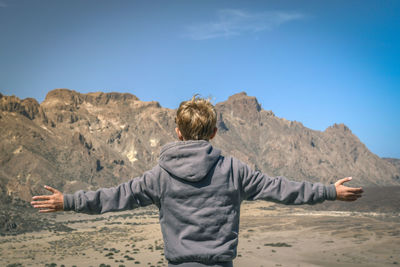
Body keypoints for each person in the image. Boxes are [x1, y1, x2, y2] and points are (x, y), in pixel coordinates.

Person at [31, 95, 363, 267]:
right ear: (214, 133)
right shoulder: (234, 169)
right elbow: (282, 189)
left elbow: (114, 197)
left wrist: (67, 201)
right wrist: (329, 191)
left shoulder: (159, 176)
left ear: (177, 131)